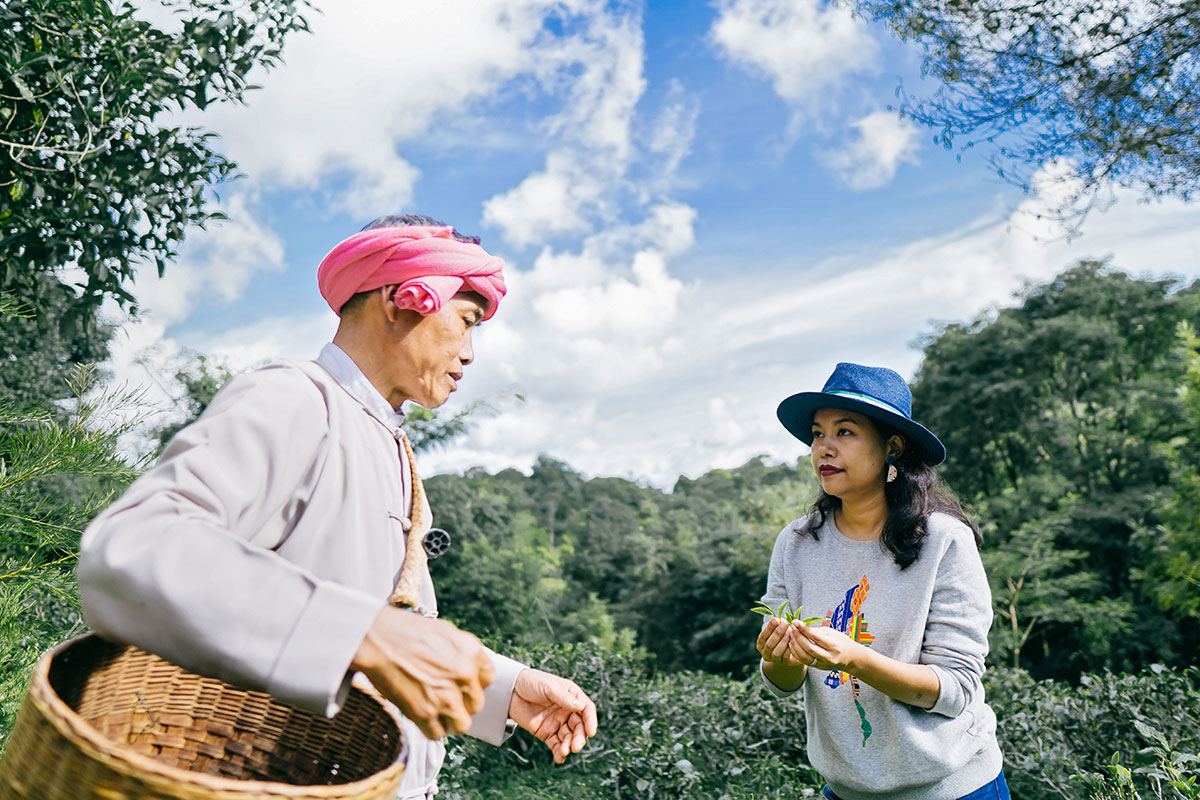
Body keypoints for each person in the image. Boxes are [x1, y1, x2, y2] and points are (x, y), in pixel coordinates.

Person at [77, 214, 598, 800]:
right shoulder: (295, 399)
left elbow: (377, 633)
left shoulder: (391, 444)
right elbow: (132, 552)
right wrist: (363, 634)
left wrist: (501, 689)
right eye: (466, 321)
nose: (470, 354)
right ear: (401, 299)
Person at [756, 362, 1007, 800]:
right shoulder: (795, 543)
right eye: (818, 434)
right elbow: (782, 682)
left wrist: (855, 659)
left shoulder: (944, 541)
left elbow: (956, 689)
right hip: (847, 790)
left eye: (845, 432)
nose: (824, 449)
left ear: (892, 446)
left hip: (952, 789)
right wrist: (782, 656)